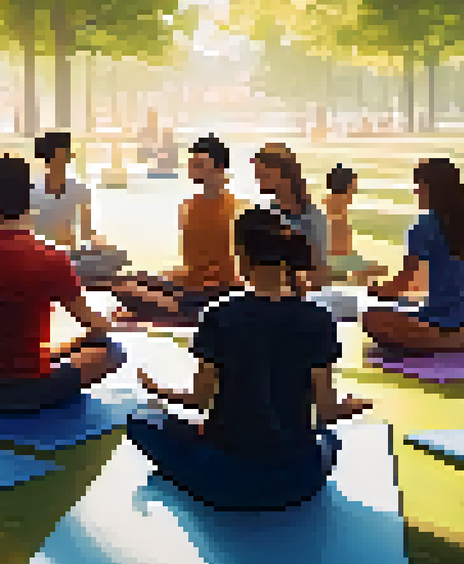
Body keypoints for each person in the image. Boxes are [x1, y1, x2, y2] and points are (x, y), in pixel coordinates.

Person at [131, 207, 373, 511]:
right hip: (300, 479)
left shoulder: (219, 315)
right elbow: (326, 411)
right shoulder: (319, 319)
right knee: (327, 439)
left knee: (142, 418)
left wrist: (157, 391)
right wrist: (353, 405)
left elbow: (199, 402)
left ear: (242, 258)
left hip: (228, 479)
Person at [0, 154, 123, 413]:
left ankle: (40, 356)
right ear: (29, 193)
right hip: (32, 390)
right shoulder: (52, 255)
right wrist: (110, 320)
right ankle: (42, 359)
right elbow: (93, 324)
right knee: (111, 351)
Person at [360, 158, 464, 353]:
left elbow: (405, 282)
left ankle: (447, 342)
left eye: (419, 186)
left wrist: (379, 290)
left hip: (440, 320)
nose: (416, 192)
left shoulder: (423, 226)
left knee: (372, 318)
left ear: (431, 188)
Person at [111, 134, 245, 323]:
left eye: (199, 165)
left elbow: (235, 268)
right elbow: (192, 263)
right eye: (191, 165)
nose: (192, 171)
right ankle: (175, 307)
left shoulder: (238, 209)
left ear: (219, 169)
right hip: (190, 285)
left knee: (133, 293)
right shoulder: (189, 206)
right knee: (124, 282)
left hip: (218, 291)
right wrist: (161, 277)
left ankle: (186, 312)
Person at [31, 131, 128, 289]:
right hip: (64, 260)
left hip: (49, 259)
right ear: (62, 155)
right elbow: (87, 233)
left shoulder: (32, 190)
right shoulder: (78, 189)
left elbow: (86, 233)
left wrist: (108, 249)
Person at [251, 143, 329, 291]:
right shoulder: (263, 214)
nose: (257, 179)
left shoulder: (313, 219)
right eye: (257, 174)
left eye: (263, 174)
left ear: (284, 174)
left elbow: (319, 275)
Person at [322, 164, 389, 285]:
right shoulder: (338, 208)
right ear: (347, 187)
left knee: (367, 271)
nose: (355, 191)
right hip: (334, 261)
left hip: (333, 260)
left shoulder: (330, 204)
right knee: (380, 270)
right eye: (353, 187)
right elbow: (338, 252)